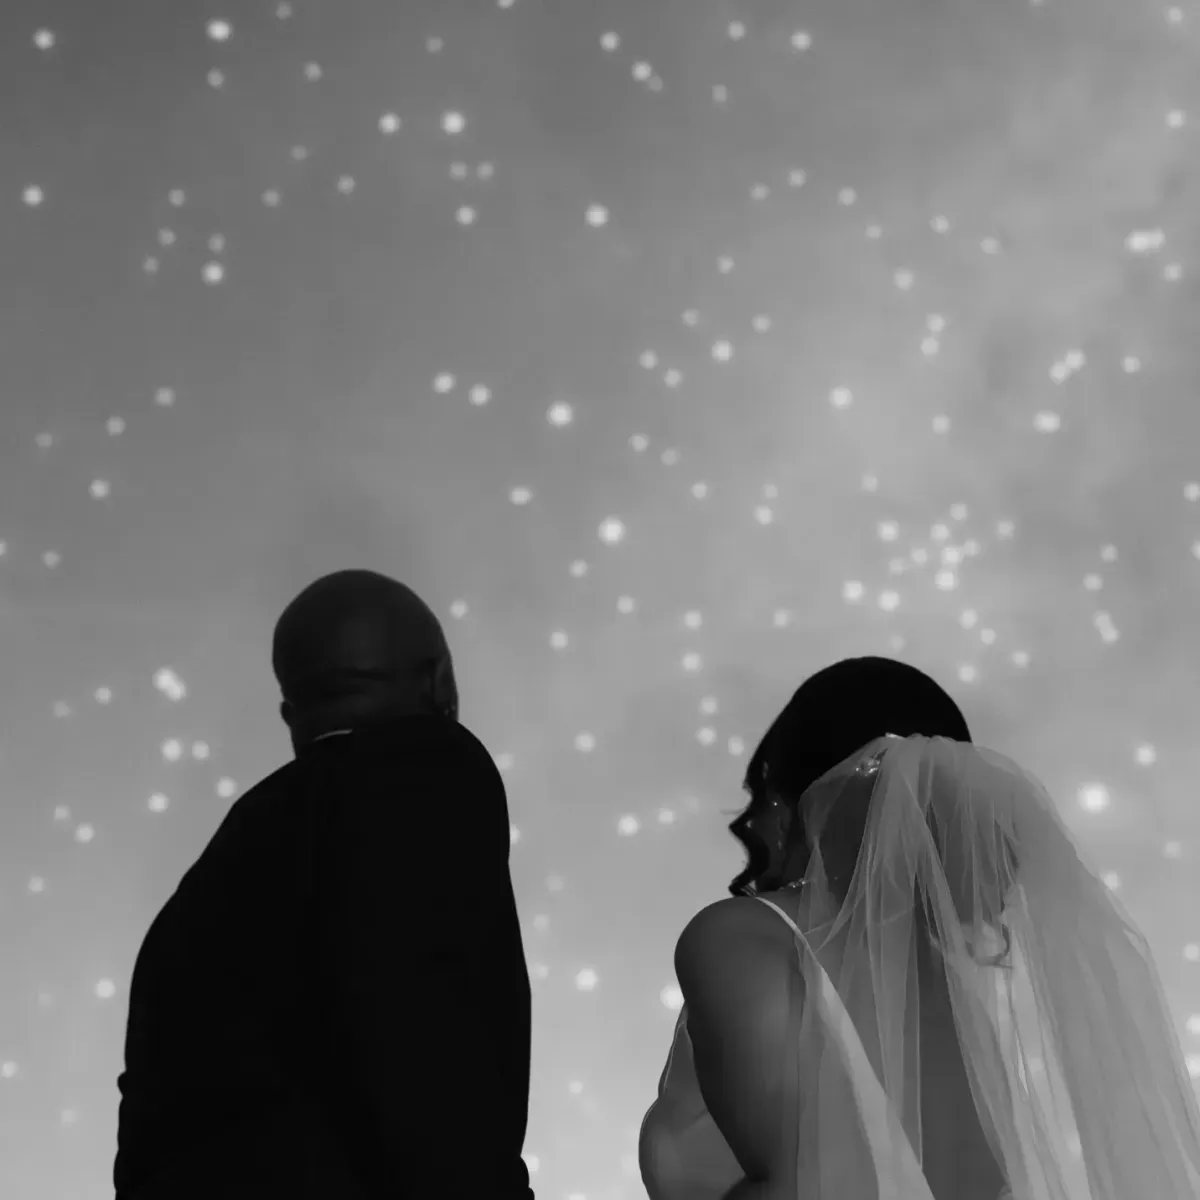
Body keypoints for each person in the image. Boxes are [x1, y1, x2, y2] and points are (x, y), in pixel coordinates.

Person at [639, 658, 1200, 1199]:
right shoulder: (949, 985)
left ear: (787, 802)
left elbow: (805, 1186)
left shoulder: (742, 936)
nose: (753, 824)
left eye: (759, 797)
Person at [113, 569, 535, 1199]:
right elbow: (427, 1050)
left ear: (292, 712)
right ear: (440, 682)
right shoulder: (425, 770)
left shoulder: (211, 880)